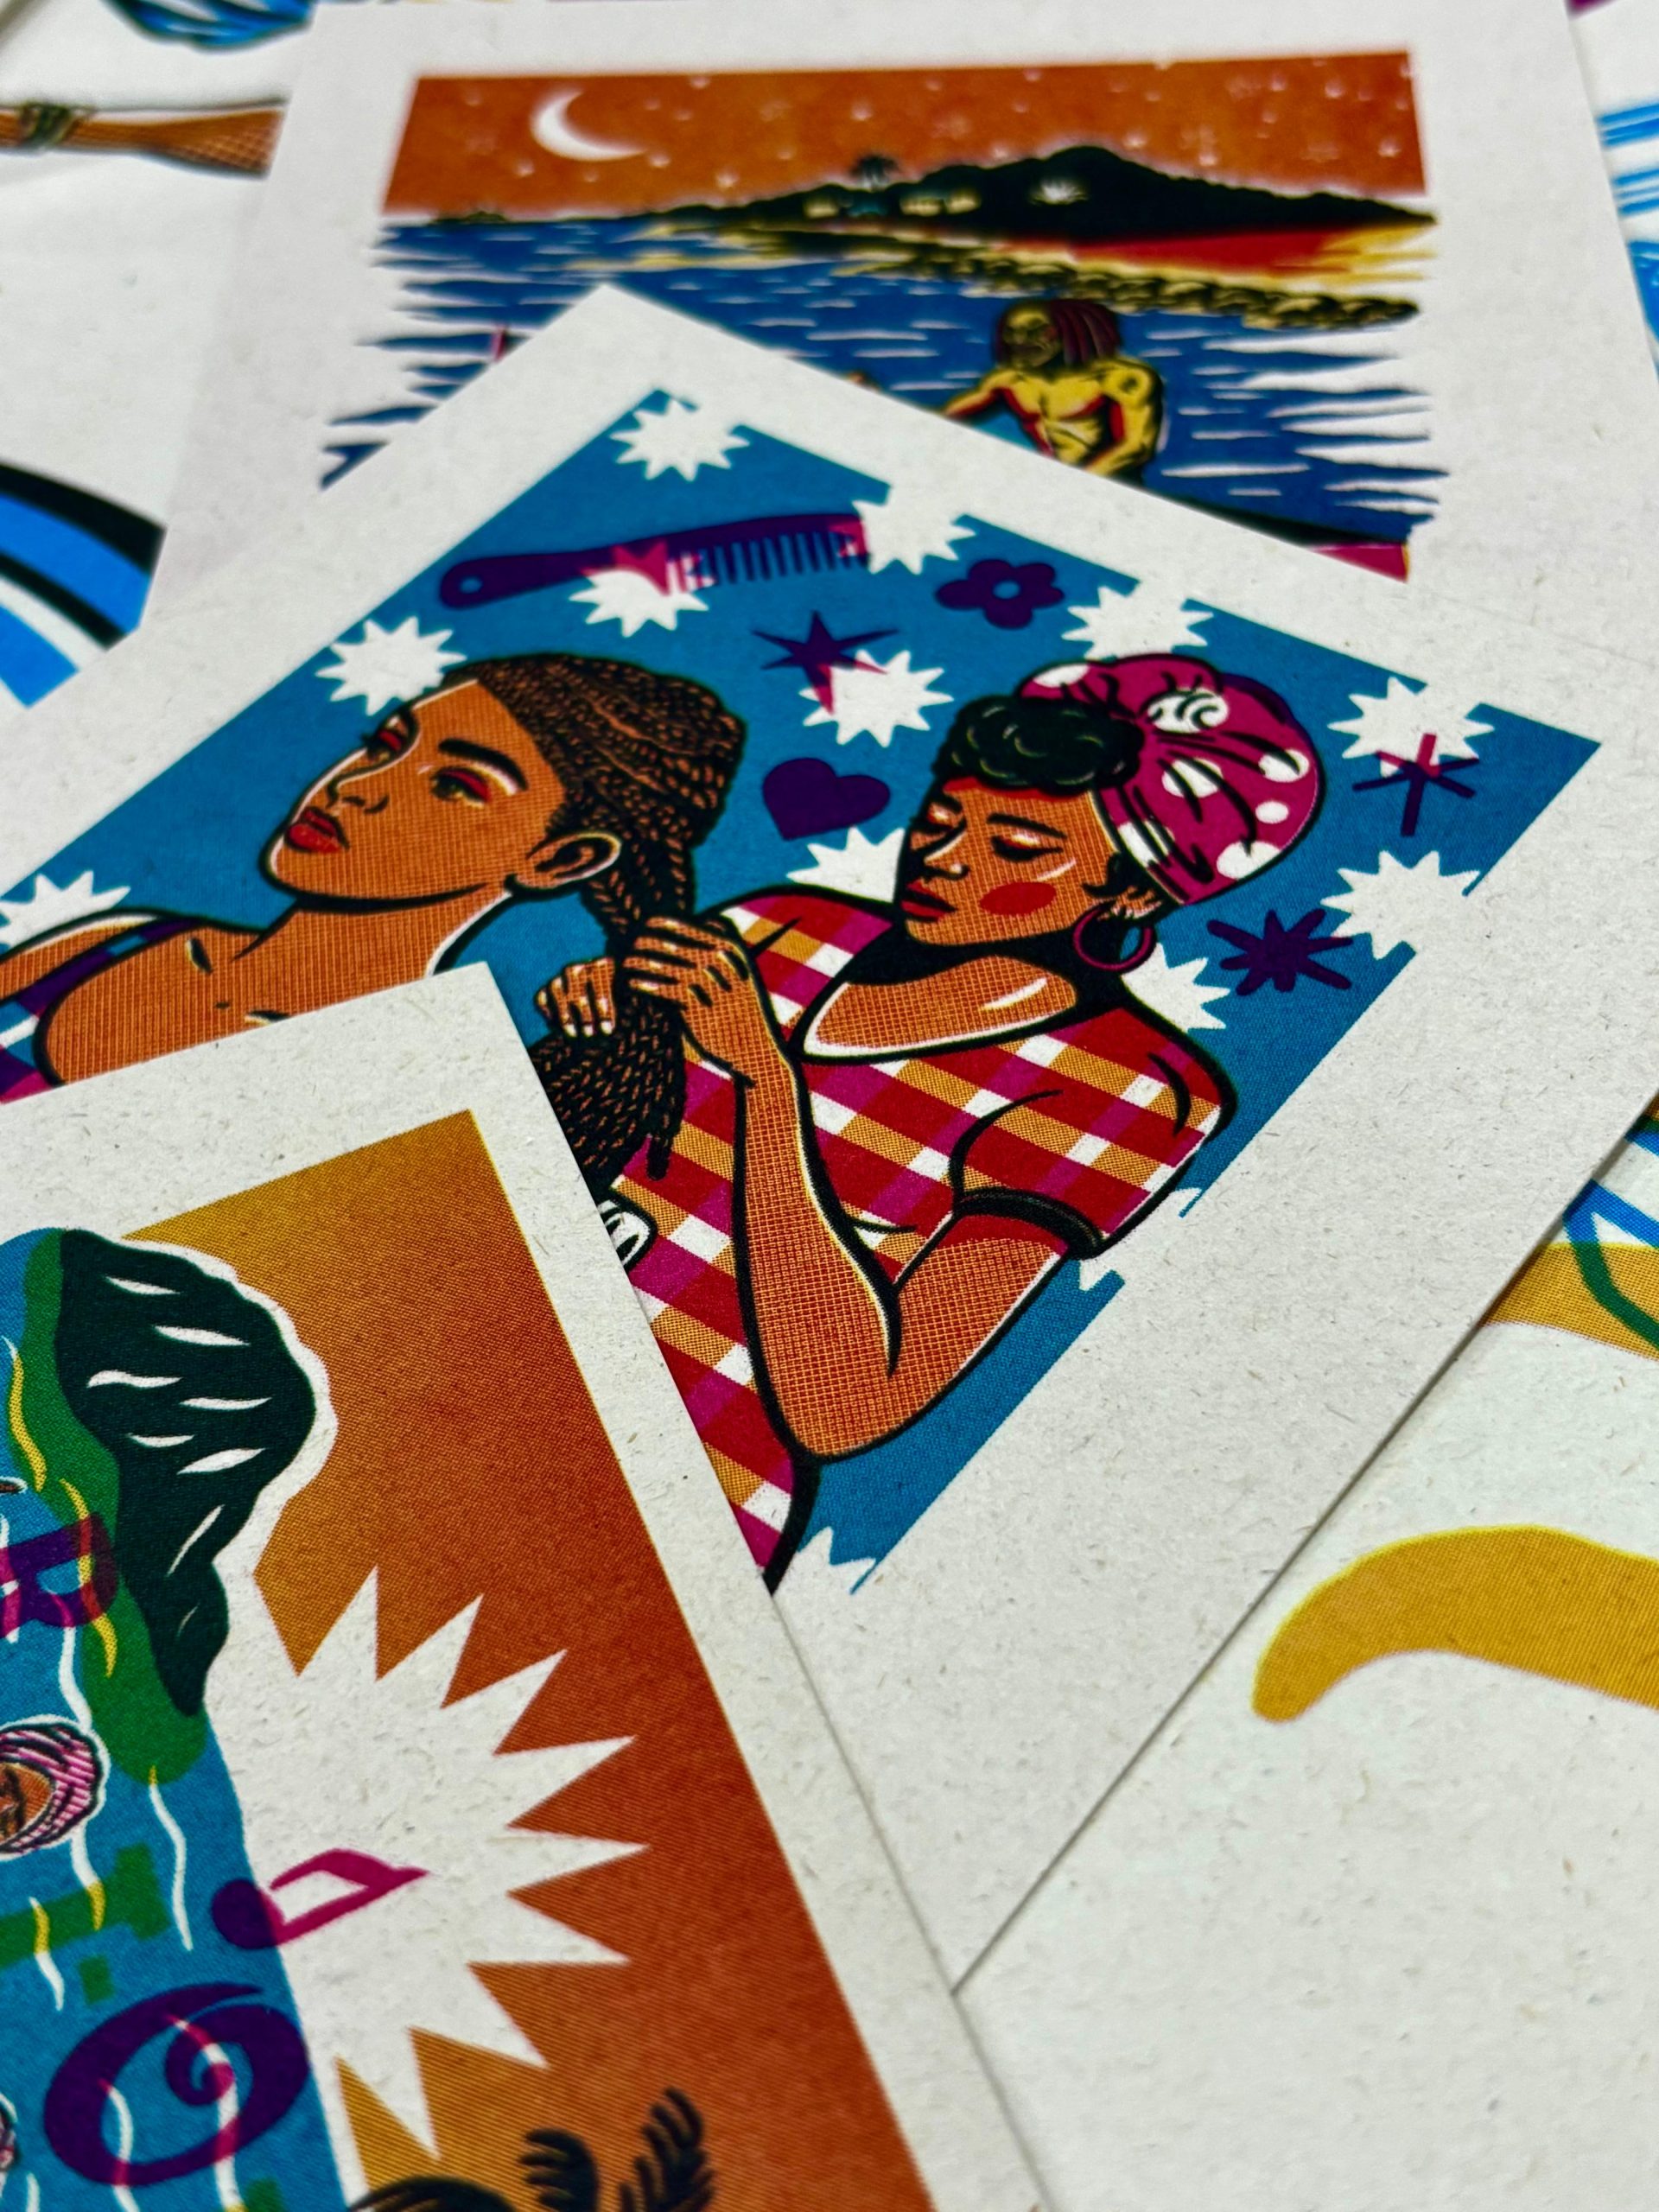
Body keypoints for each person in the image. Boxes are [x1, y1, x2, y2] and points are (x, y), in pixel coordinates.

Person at [539, 652, 1323, 1583]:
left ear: (1134, 892)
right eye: (943, 820)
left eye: (1018, 849)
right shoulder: (779, 928)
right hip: (497, 1333)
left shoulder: (1126, 1087)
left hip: (670, 1480)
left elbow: (847, 1407)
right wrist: (595, 1036)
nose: (943, 860)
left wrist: (768, 1083)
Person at [0, 652, 745, 1179]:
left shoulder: (396, 1087)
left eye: (454, 785)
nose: (358, 786)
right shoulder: (114, 941)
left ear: (559, 861)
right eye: (385, 745)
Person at [942, 300, 1163, 478]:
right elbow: (944, 420)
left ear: (1072, 331)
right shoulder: (1009, 382)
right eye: (1011, 332)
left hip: (1110, 491)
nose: (1019, 341)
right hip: (1049, 486)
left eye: (1036, 331)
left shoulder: (1119, 379)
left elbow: (1136, 448)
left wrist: (1074, 485)